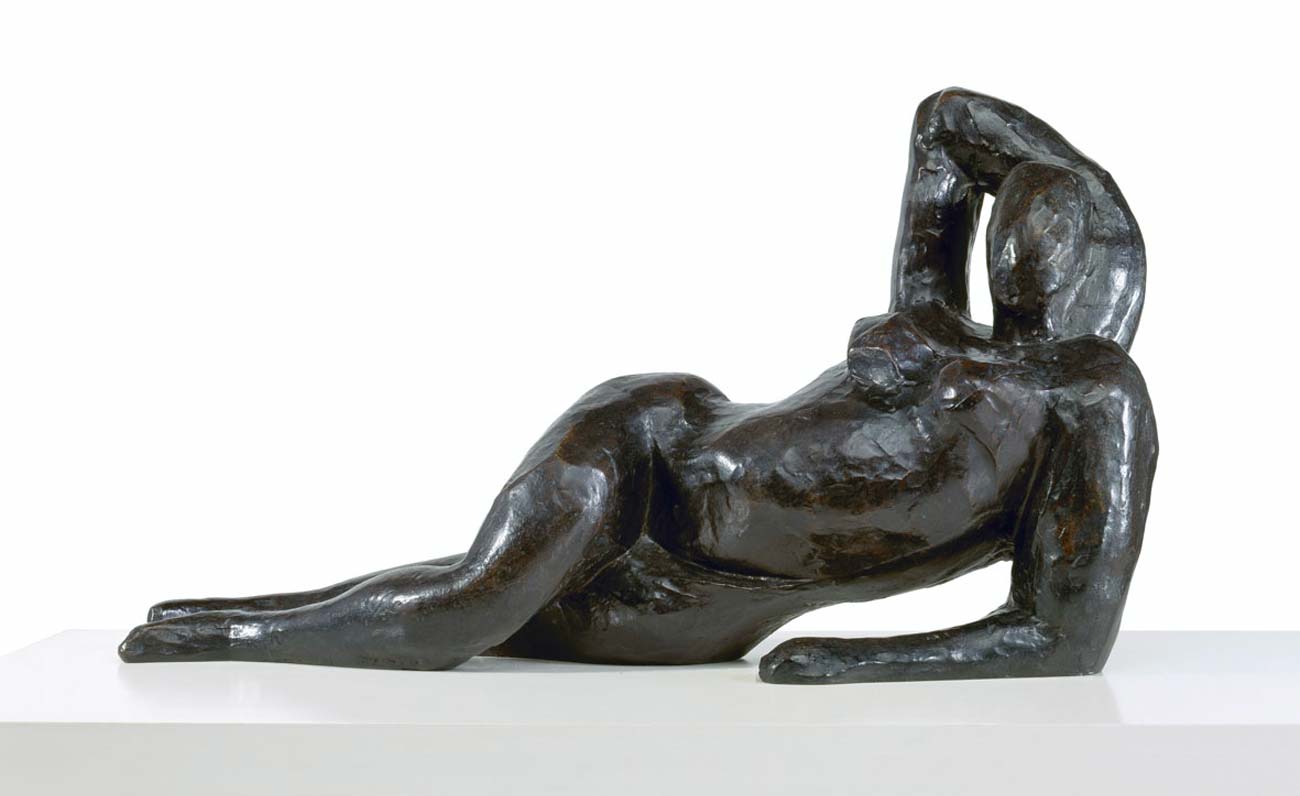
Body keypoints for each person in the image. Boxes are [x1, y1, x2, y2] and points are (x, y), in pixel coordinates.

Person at [119, 89, 1157, 684]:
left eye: (1052, 227)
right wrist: (1078, 177)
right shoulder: (932, 318)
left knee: (475, 607)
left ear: (1084, 260)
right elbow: (947, 120)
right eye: (1014, 217)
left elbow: (1065, 637)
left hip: (702, 595)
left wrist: (854, 662)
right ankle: (230, 633)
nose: (1019, 245)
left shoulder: (1090, 395)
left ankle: (242, 618)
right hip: (652, 445)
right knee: (465, 607)